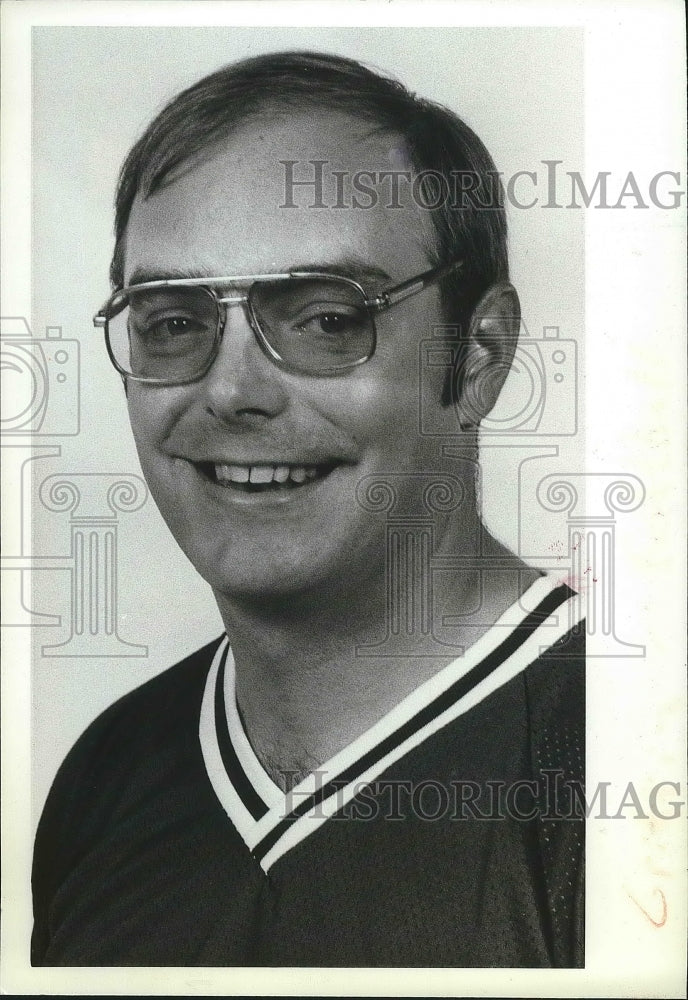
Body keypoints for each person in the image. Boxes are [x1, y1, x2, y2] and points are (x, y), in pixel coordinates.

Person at [31, 50, 585, 968]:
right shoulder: (108, 772)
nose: (233, 390)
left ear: (480, 356)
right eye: (173, 322)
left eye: (328, 318)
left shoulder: (625, 757)